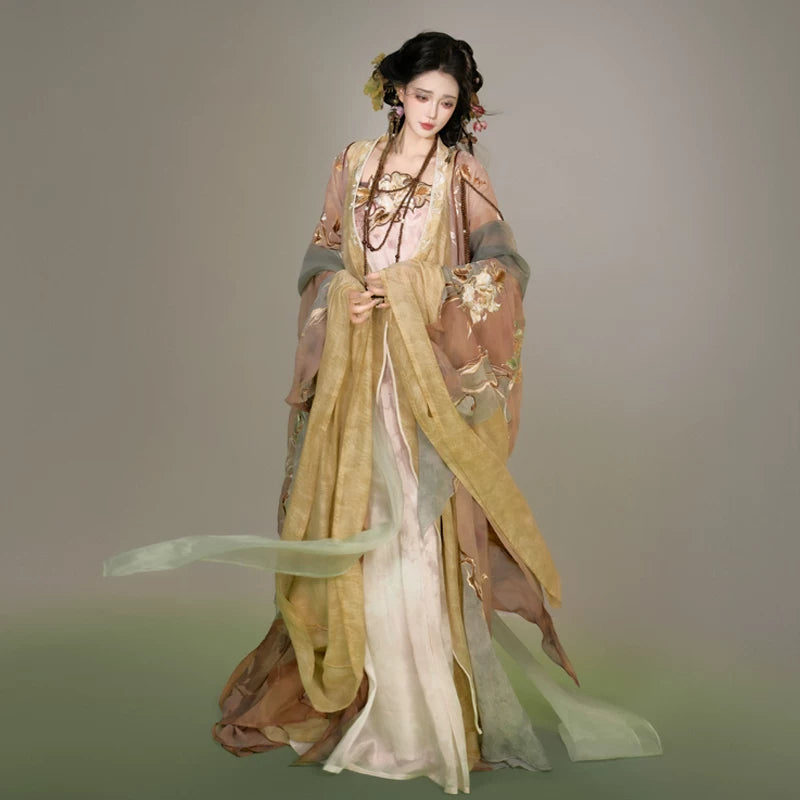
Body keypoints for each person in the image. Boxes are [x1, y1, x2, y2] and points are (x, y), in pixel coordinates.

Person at [103, 31, 662, 795]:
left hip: (421, 380)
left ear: (462, 108)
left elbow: (501, 268)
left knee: (417, 533)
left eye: (447, 102)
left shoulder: (462, 175)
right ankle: (360, 697)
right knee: (355, 519)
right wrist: (344, 292)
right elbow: (322, 253)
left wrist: (418, 290)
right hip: (356, 373)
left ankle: (421, 718)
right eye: (421, 95)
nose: (431, 113)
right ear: (395, 91)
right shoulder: (354, 164)